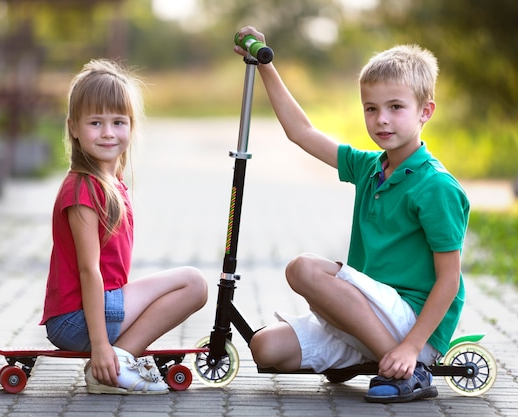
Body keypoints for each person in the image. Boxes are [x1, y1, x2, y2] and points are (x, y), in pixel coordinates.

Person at [234, 27, 469, 403]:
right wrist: (264, 64)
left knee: (304, 269)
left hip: (412, 325)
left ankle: (410, 369)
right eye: (371, 109)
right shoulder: (369, 167)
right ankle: (378, 355)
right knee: (265, 348)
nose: (382, 120)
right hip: (368, 317)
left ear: (426, 111)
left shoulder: (436, 187)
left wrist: (411, 347)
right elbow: (302, 132)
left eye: (396, 107)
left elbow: (449, 282)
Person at [40, 59, 208, 395]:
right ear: (73, 127)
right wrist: (99, 345)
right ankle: (116, 362)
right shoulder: (83, 189)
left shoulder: (108, 182)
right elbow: (89, 271)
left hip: (89, 311)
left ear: (131, 126)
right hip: (76, 320)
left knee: (192, 284)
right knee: (193, 284)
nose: (107, 132)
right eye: (95, 122)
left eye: (118, 122)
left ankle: (115, 360)